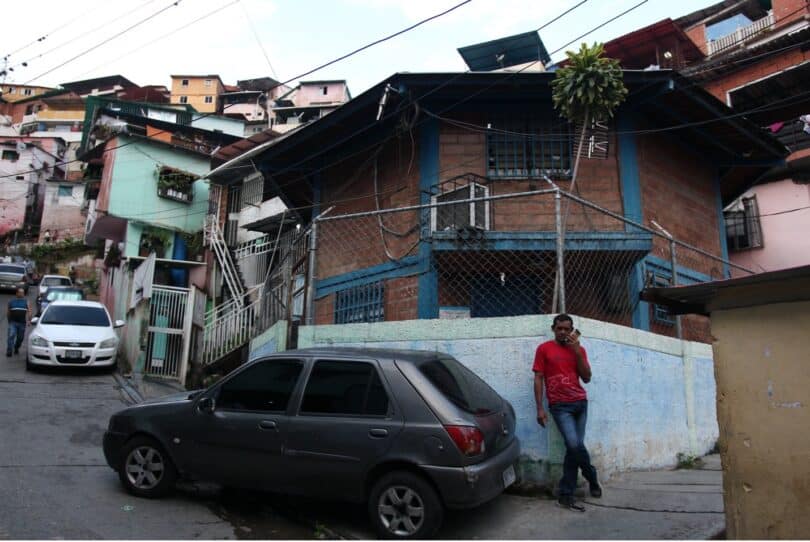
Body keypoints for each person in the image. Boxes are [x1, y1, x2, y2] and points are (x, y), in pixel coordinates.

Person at [533, 313, 602, 511]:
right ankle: (592, 478)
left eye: (567, 329)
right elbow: (538, 378)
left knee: (575, 448)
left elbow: (587, 378)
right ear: (553, 328)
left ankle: (567, 493)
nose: (563, 332)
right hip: (559, 406)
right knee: (574, 445)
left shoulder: (578, 350)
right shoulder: (544, 349)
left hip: (580, 403)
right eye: (559, 328)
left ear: (572, 331)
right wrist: (539, 408)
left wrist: (577, 351)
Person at [6, 288, 30, 357]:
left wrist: (29, 320)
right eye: (20, 292)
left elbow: (30, 311)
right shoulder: (11, 301)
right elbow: (8, 312)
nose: (22, 294)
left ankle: (16, 347)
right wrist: (9, 321)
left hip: (22, 323)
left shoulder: (26, 302)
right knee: (11, 335)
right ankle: (9, 350)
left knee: (20, 338)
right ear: (16, 293)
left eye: (23, 292)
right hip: (13, 322)